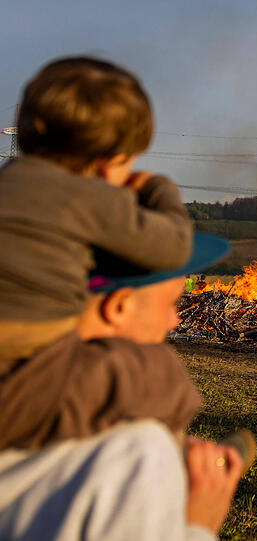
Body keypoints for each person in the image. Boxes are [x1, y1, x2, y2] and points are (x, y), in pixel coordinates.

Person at [0, 56, 200, 450]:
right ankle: (178, 459)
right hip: (27, 374)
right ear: (110, 164)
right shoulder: (90, 198)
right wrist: (157, 189)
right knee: (155, 372)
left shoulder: (7, 183)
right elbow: (175, 247)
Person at [0, 233, 243, 540]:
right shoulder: (134, 456)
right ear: (119, 307)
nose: (174, 321)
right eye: (171, 303)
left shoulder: (17, 391)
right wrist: (198, 525)